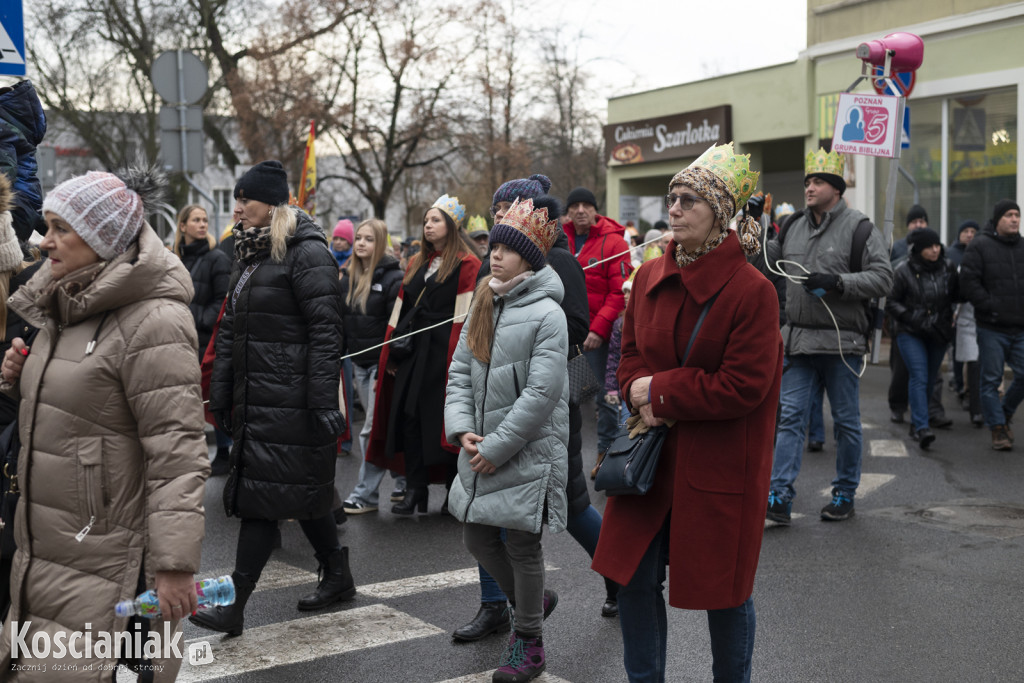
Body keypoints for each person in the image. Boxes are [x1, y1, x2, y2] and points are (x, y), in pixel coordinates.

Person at [0, 165, 210, 680]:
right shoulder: (64, 301)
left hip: (111, 552)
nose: (44, 241)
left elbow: (178, 453)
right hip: (50, 540)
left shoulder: (154, 319)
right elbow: (84, 404)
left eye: (59, 229)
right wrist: (21, 379)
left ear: (102, 238)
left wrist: (175, 567)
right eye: (46, 226)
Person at [593, 142, 782, 683]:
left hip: (718, 465)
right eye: (672, 197)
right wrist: (637, 391)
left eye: (689, 199)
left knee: (724, 593)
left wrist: (659, 395)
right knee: (634, 579)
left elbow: (744, 385)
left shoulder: (753, 292)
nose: (674, 208)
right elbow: (628, 355)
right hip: (647, 459)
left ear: (719, 213)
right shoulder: (650, 277)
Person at [192, 160, 352, 638]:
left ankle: (234, 604)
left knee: (265, 499)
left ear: (272, 205)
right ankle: (338, 573)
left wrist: (323, 402)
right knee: (302, 489)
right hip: (257, 399)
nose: (237, 208)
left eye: (246, 200)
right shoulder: (250, 252)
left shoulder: (306, 252)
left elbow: (327, 333)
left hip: (294, 401)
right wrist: (220, 394)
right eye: (237, 199)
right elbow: (233, 332)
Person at [455, 178, 615, 644]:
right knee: (486, 519)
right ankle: (499, 604)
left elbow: (572, 331)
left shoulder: (557, 264)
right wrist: (464, 418)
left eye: (508, 207)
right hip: (491, 411)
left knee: (568, 507)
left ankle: (621, 576)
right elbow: (467, 358)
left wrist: (522, 348)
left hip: (541, 413)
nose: (500, 216)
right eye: (497, 208)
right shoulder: (493, 273)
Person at [446, 196, 569, 683]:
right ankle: (531, 600)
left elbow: (541, 394)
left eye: (507, 249)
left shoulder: (547, 315)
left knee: (522, 545)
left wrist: (497, 447)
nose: (494, 255)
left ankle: (530, 644)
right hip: (480, 450)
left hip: (526, 449)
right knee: (476, 535)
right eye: (493, 246)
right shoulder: (484, 300)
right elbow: (458, 372)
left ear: (531, 258)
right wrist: (462, 430)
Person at [764, 148, 893, 524]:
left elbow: (885, 278)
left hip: (843, 344)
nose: (809, 187)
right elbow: (762, 267)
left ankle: (844, 493)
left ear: (836, 189)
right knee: (790, 420)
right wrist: (754, 223)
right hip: (799, 341)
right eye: (807, 181)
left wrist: (838, 282)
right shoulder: (790, 226)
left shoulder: (860, 227)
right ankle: (779, 497)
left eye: (818, 181)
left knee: (847, 423)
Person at [366, 195, 481, 514]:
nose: (428, 226)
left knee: (442, 421)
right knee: (409, 417)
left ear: (452, 226)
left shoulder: (468, 264)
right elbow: (400, 310)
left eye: (436, 220)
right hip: (414, 351)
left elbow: (463, 317)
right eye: (427, 221)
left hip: (444, 353)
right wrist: (391, 353)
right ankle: (415, 489)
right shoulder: (416, 262)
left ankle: (452, 492)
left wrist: (456, 362)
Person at [561, 187, 632, 477]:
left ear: (595, 210)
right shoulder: (557, 239)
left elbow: (619, 292)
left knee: (605, 398)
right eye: (574, 205)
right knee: (572, 397)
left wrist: (598, 330)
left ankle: (605, 454)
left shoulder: (614, 242)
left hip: (595, 337)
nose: (580, 210)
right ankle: (566, 458)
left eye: (586, 205)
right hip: (564, 334)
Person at [340, 218, 405, 513]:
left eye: (368, 239)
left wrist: (391, 358)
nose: (361, 243)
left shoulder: (394, 278)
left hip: (382, 367)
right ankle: (404, 481)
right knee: (383, 428)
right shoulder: (348, 278)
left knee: (369, 431)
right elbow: (342, 323)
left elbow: (401, 325)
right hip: (360, 364)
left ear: (380, 243)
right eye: (359, 238)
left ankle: (365, 495)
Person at [959, 199, 1024, 451]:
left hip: (1020, 327)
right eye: (1009, 215)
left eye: (1017, 215)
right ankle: (997, 429)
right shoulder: (980, 245)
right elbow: (969, 282)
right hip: (992, 327)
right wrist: (990, 306)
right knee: (991, 380)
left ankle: (1004, 412)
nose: (1014, 219)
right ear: (998, 219)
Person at [173, 203, 232, 475]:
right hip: (179, 341)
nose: (202, 224)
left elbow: (222, 301)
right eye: (196, 220)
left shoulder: (217, 258)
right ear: (182, 226)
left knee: (212, 396)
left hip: (206, 340)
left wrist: (195, 320)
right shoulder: (175, 259)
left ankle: (224, 451)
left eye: (205, 220)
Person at [886, 228, 959, 449]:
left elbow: (956, 295)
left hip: (938, 331)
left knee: (929, 377)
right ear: (918, 249)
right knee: (918, 374)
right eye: (930, 246)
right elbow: (890, 301)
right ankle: (922, 427)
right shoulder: (902, 270)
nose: (935, 250)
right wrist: (910, 317)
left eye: (937, 245)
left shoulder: (948, 267)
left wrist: (950, 316)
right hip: (911, 331)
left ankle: (918, 421)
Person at [0, 80, 46, 242]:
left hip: (16, 213)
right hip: (25, 207)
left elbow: (3, 179)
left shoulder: (2, 129)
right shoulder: (8, 123)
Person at [947, 220, 980, 402]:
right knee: (957, 352)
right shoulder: (951, 254)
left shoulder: (981, 253)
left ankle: (970, 391)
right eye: (965, 231)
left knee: (974, 357)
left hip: (973, 314)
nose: (969, 234)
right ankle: (959, 384)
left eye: (973, 231)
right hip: (956, 312)